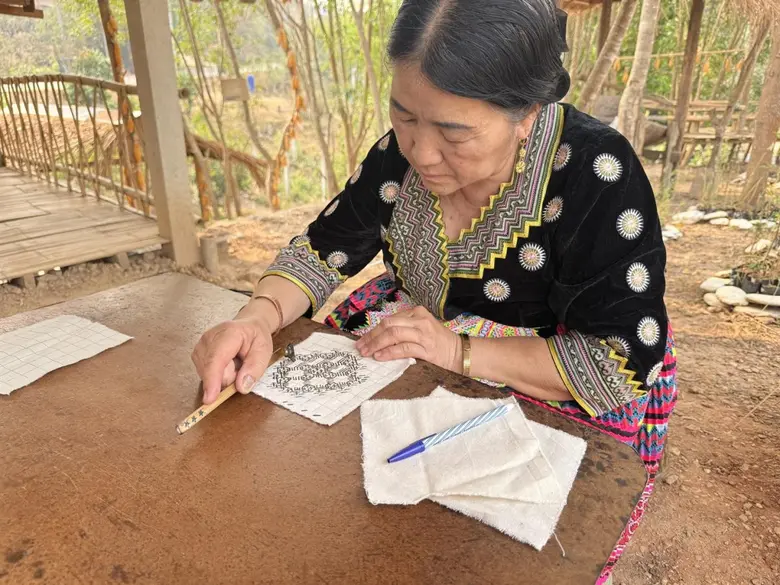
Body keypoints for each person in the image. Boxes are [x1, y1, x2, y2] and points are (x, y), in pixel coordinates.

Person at [192, 1, 677, 581]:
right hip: (419, 339)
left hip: (546, 371)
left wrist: (457, 351)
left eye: (454, 132)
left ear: (526, 113)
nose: (420, 152)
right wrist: (257, 316)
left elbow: (620, 356)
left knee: (495, 556)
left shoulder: (595, 171)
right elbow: (323, 250)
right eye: (404, 116)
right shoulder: (395, 156)